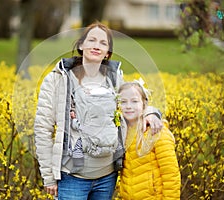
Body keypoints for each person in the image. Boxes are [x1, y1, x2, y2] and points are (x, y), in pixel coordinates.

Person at [34, 21, 163, 200]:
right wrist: (49, 177)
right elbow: (42, 128)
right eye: (92, 40)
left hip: (107, 177)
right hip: (72, 178)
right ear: (81, 45)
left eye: (103, 43)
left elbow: (136, 101)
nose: (96, 46)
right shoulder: (58, 79)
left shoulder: (114, 78)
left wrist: (151, 113)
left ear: (108, 52)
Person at [118, 80, 181, 200]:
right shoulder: (121, 132)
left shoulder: (156, 131)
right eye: (123, 102)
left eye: (134, 101)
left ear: (144, 104)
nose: (128, 106)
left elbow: (170, 175)